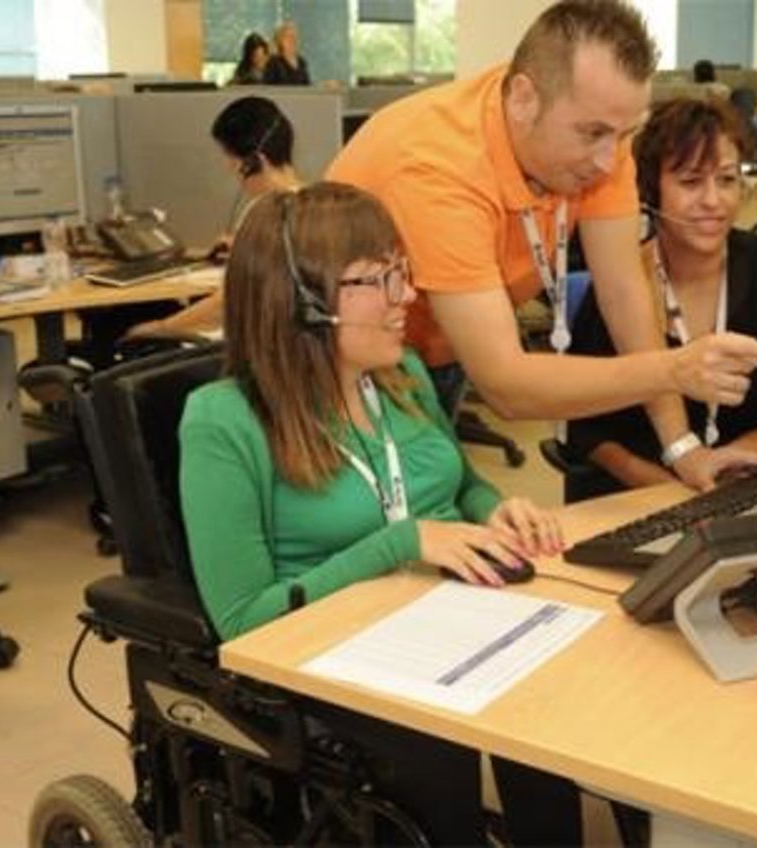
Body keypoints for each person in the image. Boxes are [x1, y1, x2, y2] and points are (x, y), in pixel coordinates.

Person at [179, 182, 580, 846]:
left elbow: (463, 484)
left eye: (403, 272)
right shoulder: (225, 421)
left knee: (547, 691)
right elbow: (243, 622)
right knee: (438, 743)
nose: (409, 295)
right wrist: (400, 542)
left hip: (445, 613)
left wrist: (499, 509)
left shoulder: (403, 377)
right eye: (380, 279)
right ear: (303, 301)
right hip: (330, 651)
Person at [328, 0, 757, 495]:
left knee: (431, 497)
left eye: (624, 135)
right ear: (523, 100)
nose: (609, 160)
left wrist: (682, 447)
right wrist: (674, 369)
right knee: (372, 512)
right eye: (593, 134)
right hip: (340, 360)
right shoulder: (439, 168)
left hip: (441, 349)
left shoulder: (601, 135)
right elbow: (505, 386)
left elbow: (624, 292)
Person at [566, 97, 757, 501]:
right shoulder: (619, 286)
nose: (713, 200)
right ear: (650, 191)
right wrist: (670, 492)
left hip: (756, 490)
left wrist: (747, 453)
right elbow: (583, 428)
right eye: (691, 181)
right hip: (643, 500)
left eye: (727, 180)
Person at [124, 96, 303, 339]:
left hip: (247, 346)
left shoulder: (265, 213)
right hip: (281, 342)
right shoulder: (311, 203)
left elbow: (226, 305)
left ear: (253, 162)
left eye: (231, 158)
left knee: (128, 329)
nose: (228, 167)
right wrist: (240, 250)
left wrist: (161, 328)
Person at [263, 21, 310, 86]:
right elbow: (268, 87)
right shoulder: (273, 63)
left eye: (295, 36)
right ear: (280, 40)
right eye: (288, 37)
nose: (293, 40)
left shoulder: (301, 62)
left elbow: (307, 85)